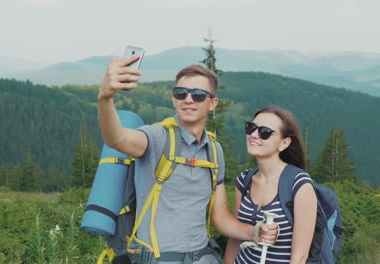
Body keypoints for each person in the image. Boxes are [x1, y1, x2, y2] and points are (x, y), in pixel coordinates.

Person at [98, 55, 278, 264]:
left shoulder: (214, 151)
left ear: (212, 103)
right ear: (174, 99)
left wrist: (254, 232)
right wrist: (105, 97)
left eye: (199, 95)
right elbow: (116, 138)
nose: (189, 99)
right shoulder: (156, 138)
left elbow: (219, 218)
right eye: (181, 93)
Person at [224, 106, 318, 264]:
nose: (254, 135)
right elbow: (236, 237)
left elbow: (300, 258)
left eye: (265, 132)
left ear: (284, 143)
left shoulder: (299, 185)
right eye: (251, 128)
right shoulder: (244, 180)